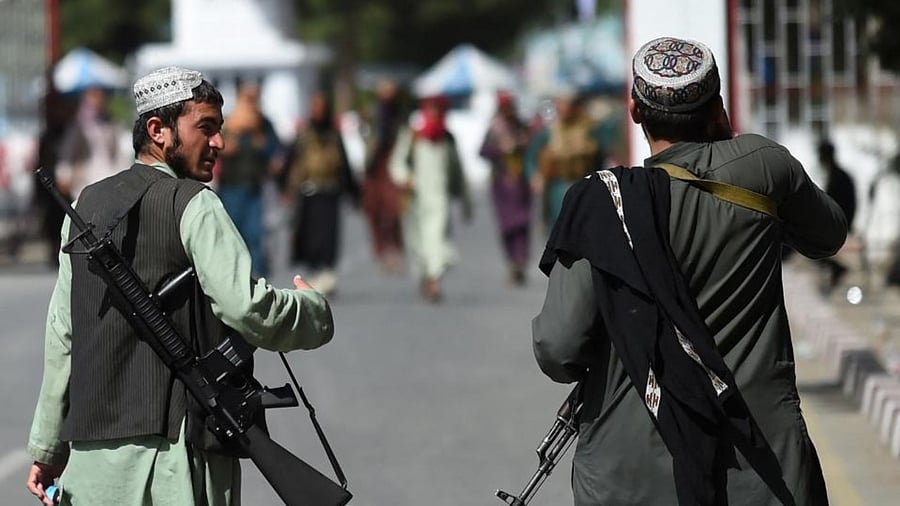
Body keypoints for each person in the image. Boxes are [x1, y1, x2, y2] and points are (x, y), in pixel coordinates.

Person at [532, 37, 847, 505]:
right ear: (717, 103)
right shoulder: (764, 167)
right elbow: (827, 236)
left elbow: (558, 350)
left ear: (635, 110)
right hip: (759, 467)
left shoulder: (602, 206)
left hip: (629, 474)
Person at [25, 67, 336, 506]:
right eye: (205, 128)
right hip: (176, 460)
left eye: (220, 129)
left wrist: (48, 448)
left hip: (94, 464)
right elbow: (248, 310)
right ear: (158, 130)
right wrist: (313, 311)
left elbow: (63, 336)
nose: (219, 143)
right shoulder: (195, 204)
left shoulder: (84, 205)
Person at [389, 95, 471, 302]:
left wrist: (465, 202)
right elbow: (397, 164)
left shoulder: (447, 139)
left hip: (439, 199)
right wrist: (406, 178)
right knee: (417, 242)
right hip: (415, 200)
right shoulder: (413, 136)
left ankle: (434, 279)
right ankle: (425, 276)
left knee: (437, 239)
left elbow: (457, 172)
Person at [282, 90, 359, 296]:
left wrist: (353, 192)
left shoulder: (333, 134)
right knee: (309, 237)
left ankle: (327, 274)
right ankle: (314, 274)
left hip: (330, 192)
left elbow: (344, 164)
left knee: (328, 236)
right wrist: (284, 186)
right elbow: (291, 159)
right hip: (308, 191)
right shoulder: (304, 134)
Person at [217, 79, 283, 277]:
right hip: (231, 187)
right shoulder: (229, 123)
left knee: (255, 234)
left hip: (254, 188)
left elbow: (276, 154)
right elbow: (217, 148)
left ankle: (258, 277)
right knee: (233, 234)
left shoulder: (263, 125)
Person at [524, 89, 602, 232]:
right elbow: (531, 156)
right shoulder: (549, 132)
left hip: (583, 184)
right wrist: (535, 176)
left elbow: (600, 157)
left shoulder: (588, 130)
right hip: (558, 187)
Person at [479, 91, 533, 285]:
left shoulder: (521, 127)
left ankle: (520, 261)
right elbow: (482, 151)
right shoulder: (494, 129)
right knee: (506, 226)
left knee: (522, 224)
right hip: (501, 182)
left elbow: (533, 148)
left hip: (520, 181)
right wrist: (501, 150)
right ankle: (512, 260)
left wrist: (520, 145)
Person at [54, 86, 130, 201]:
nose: (98, 99)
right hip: (86, 182)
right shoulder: (78, 125)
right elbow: (67, 152)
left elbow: (119, 154)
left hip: (110, 180)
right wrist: (64, 174)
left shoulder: (111, 124)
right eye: (94, 95)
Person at [362, 79, 405, 273]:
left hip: (392, 163)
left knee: (394, 209)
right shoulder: (374, 113)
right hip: (375, 166)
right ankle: (381, 250)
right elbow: (369, 139)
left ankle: (395, 248)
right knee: (374, 210)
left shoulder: (398, 114)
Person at [815, 140, 856, 293]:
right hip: (839, 221)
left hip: (840, 223)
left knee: (808, 243)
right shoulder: (837, 175)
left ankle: (837, 269)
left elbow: (833, 204)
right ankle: (835, 270)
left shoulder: (838, 177)